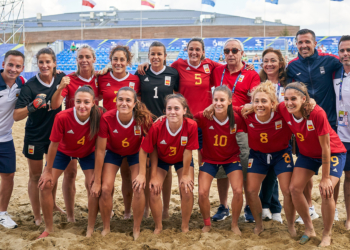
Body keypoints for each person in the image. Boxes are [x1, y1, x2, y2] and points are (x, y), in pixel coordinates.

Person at [279, 82, 346, 247]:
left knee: (326, 191)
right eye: (286, 99)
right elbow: (265, 105)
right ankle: (309, 229)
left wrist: (325, 178)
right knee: (294, 189)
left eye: (293, 99)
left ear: (303, 99)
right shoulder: (283, 108)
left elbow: (326, 147)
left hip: (333, 152)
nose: (289, 103)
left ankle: (327, 233)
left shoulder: (316, 113)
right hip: (308, 154)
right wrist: (250, 107)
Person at [287, 29, 342, 224]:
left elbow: (346, 66)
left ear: (315, 43)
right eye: (300, 43)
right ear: (296, 45)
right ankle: (309, 207)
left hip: (329, 121)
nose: (303, 46)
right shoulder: (292, 67)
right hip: (304, 125)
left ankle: (332, 208)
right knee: (306, 165)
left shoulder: (330, 61)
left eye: (307, 42)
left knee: (331, 166)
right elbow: (284, 89)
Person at [37, 85, 103, 239]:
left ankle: (90, 227)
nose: (82, 106)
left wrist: (98, 177)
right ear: (73, 102)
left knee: (92, 185)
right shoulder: (62, 116)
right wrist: (47, 171)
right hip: (63, 151)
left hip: (87, 153)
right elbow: (53, 145)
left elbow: (100, 148)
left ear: (94, 102)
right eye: (78, 101)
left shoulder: (99, 115)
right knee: (45, 184)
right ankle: (49, 228)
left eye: (86, 102)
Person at [90, 87, 154, 239]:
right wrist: (97, 180)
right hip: (113, 153)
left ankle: (136, 227)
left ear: (134, 103)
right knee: (105, 189)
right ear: (115, 101)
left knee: (138, 187)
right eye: (120, 99)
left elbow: (148, 146)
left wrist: (144, 173)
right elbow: (100, 150)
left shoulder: (143, 118)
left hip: (135, 153)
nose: (124, 103)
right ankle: (106, 227)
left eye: (128, 100)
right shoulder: (107, 118)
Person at [13, 48, 67, 226]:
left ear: (54, 64)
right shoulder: (30, 86)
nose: (44, 65)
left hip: (55, 136)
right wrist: (32, 107)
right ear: (37, 64)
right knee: (35, 176)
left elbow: (57, 103)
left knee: (51, 174)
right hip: (35, 136)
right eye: (41, 62)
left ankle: (51, 205)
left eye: (48, 62)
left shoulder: (60, 77)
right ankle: (37, 215)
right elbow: (16, 115)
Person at [210, 38, 260, 222]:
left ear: (242, 53)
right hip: (220, 129)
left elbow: (255, 103)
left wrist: (240, 109)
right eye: (226, 51)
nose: (230, 54)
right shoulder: (217, 71)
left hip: (241, 129)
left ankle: (248, 206)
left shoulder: (251, 74)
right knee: (221, 169)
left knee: (246, 167)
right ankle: (223, 206)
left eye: (234, 50)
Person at [237, 81, 296, 236]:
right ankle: (259, 224)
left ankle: (291, 225)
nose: (260, 105)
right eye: (256, 101)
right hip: (258, 155)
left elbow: (301, 103)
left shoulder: (282, 112)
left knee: (288, 191)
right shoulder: (246, 113)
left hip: (281, 155)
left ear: (273, 104)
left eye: (264, 101)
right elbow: (226, 107)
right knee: (250, 191)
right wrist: (210, 107)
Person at [49, 44, 100, 222]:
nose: (84, 60)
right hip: (69, 133)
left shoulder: (100, 79)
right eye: (80, 57)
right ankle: (70, 215)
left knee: (92, 180)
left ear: (94, 59)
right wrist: (60, 86)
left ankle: (94, 214)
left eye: (87, 57)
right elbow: (55, 105)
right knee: (70, 175)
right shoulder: (69, 79)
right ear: (76, 60)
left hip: (90, 135)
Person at [140, 94, 198, 234]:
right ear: (165, 111)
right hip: (162, 159)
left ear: (184, 110)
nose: (173, 112)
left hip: (182, 158)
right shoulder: (157, 126)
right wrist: (152, 175)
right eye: (169, 108)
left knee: (187, 188)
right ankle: (158, 226)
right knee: (153, 190)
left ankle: (185, 226)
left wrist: (185, 175)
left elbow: (188, 152)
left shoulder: (191, 125)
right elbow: (147, 150)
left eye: (176, 108)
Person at [135, 41, 179, 219]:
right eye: (152, 54)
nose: (155, 57)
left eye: (159, 54)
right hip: (146, 126)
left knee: (165, 167)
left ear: (165, 56)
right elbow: (136, 97)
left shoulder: (173, 73)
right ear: (148, 56)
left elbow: (178, 98)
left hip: (165, 125)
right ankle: (146, 207)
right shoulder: (141, 73)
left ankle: (166, 208)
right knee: (146, 166)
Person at [98, 45, 141, 219]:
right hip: (109, 132)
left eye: (122, 59)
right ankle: (109, 209)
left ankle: (128, 211)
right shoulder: (101, 78)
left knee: (127, 174)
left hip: (130, 132)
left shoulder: (136, 80)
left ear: (128, 61)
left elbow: (140, 105)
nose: (118, 62)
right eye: (115, 59)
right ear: (110, 60)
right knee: (108, 178)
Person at [195, 86, 244, 235]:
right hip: (209, 159)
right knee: (202, 192)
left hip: (231, 158)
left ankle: (234, 224)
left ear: (229, 101)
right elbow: (185, 118)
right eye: (215, 100)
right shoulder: (204, 116)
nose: (218, 103)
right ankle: (207, 224)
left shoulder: (236, 118)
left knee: (237, 190)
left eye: (222, 100)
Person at [256, 48, 288, 223]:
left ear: (281, 63)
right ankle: (270, 207)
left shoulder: (288, 82)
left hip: (282, 130)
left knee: (275, 170)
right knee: (268, 171)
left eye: (273, 60)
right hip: (262, 130)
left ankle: (271, 207)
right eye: (266, 61)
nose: (269, 64)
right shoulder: (258, 81)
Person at [0, 50, 25, 229]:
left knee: (8, 175)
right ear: (3, 64)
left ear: (22, 68)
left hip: (5, 138)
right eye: (10, 64)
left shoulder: (21, 84)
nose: (13, 69)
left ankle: (2, 213)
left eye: (17, 66)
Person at [333, 35, 350, 228]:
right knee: (336, 177)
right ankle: (333, 211)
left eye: (349, 50)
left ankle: (349, 219)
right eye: (342, 50)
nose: (345, 54)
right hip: (340, 136)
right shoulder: (335, 73)